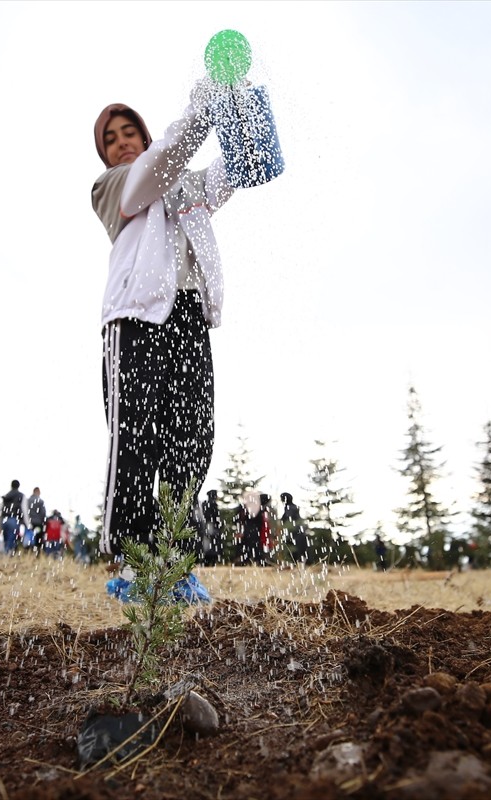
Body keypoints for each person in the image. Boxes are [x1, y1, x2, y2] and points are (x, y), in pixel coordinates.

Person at [91, 87, 243, 562]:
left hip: (187, 315)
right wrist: (202, 110)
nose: (121, 143)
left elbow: (240, 166)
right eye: (111, 139)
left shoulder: (184, 187)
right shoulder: (114, 185)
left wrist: (239, 109)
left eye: (129, 132)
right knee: (137, 437)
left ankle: (174, 559)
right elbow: (154, 171)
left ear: (145, 135)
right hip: (134, 317)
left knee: (193, 435)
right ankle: (131, 559)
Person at [280, 492, 309, 564]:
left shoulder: (289, 508)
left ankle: (294, 564)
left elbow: (287, 520)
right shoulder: (293, 507)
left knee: (293, 550)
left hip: (294, 532)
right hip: (297, 531)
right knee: (297, 550)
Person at [1, 480, 25, 555]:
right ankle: (8, 555)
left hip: (4, 519)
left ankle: (5, 553)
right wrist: (27, 523)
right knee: (11, 539)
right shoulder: (21, 496)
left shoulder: (6, 495)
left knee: (6, 539)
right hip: (14, 519)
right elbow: (24, 509)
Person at [201, 490, 223, 566]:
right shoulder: (213, 505)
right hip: (212, 526)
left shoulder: (204, 504)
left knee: (207, 544)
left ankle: (206, 560)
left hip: (206, 526)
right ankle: (212, 560)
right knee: (214, 544)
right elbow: (216, 517)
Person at [27, 487, 47, 557]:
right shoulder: (40, 501)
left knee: (29, 539)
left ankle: (29, 553)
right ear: (38, 492)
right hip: (38, 524)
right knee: (38, 539)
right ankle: (37, 554)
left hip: (29, 524)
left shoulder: (28, 501)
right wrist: (44, 522)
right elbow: (43, 513)